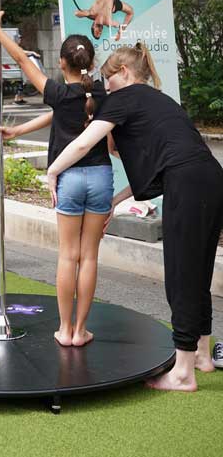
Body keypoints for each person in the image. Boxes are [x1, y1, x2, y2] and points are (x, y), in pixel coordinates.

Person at [46, 42, 223, 391]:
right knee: (198, 269)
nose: (106, 92)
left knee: (181, 274)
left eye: (108, 83)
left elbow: (83, 143)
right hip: (210, 178)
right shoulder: (161, 100)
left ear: (123, 74)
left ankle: (183, 372)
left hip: (187, 183)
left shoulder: (124, 97)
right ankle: (201, 354)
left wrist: (53, 171)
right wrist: (117, 199)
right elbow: (162, 165)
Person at [0, 9, 113, 347]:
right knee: (89, 257)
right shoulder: (98, 95)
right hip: (100, 177)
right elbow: (61, 116)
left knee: (67, 255)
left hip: (68, 178)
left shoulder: (58, 91)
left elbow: (21, 59)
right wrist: (20, 129)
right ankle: (81, 330)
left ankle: (64, 329)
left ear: (61, 63)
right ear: (91, 61)